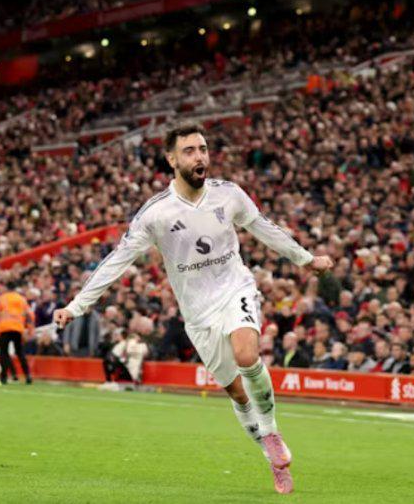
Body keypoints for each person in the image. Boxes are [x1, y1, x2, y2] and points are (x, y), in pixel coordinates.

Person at [53, 124, 334, 494]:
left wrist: (306, 259)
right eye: (189, 151)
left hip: (235, 288)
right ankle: (270, 455)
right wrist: (76, 305)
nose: (199, 156)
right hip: (198, 314)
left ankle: (271, 433)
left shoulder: (228, 194)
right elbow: (117, 261)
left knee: (247, 354)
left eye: (203, 149)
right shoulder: (156, 214)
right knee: (237, 393)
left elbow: (264, 228)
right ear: (172, 159)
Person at [0, 282, 34, 384]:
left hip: (5, 327)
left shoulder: (1, 298)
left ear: (7, 288)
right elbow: (29, 315)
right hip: (18, 328)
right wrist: (30, 330)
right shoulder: (22, 299)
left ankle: (3, 377)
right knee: (20, 352)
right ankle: (28, 375)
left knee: (3, 352)